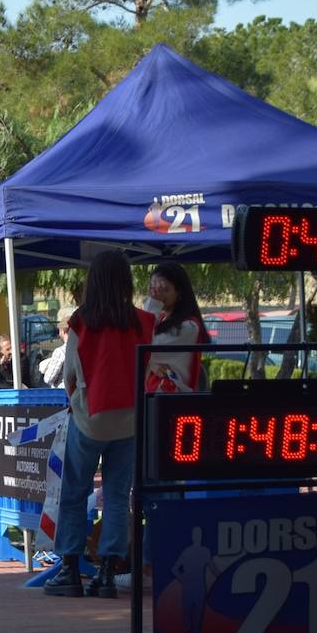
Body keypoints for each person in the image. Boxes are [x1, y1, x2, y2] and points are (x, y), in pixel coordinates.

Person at [43, 250, 154, 599]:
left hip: (89, 420)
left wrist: (79, 404)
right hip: (131, 422)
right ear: (126, 281)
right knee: (119, 498)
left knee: (75, 494)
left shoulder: (81, 321)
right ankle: (107, 573)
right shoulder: (144, 322)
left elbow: (71, 373)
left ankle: (70, 571)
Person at [144, 261, 209, 393]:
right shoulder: (161, 319)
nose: (156, 294)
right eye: (153, 289)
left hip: (171, 398)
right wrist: (152, 365)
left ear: (179, 292)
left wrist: (153, 306)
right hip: (156, 395)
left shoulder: (189, 326)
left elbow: (145, 345)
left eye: (164, 289)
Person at [39, 306, 75, 388]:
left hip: (62, 393)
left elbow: (48, 378)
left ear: (62, 331)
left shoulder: (61, 351)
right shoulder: (80, 349)